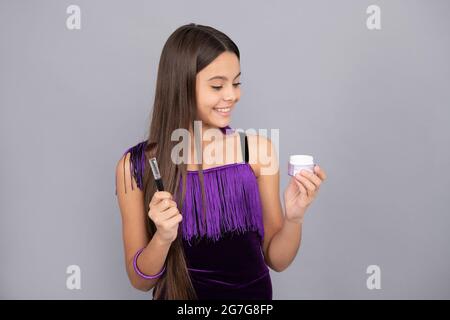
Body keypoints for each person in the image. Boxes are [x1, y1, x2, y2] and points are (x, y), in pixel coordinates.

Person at [115, 23, 327, 300]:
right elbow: (139, 281)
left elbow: (277, 259)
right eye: (217, 85)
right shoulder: (135, 166)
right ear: (180, 86)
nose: (231, 95)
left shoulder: (258, 152)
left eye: (237, 83)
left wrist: (295, 218)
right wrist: (163, 238)